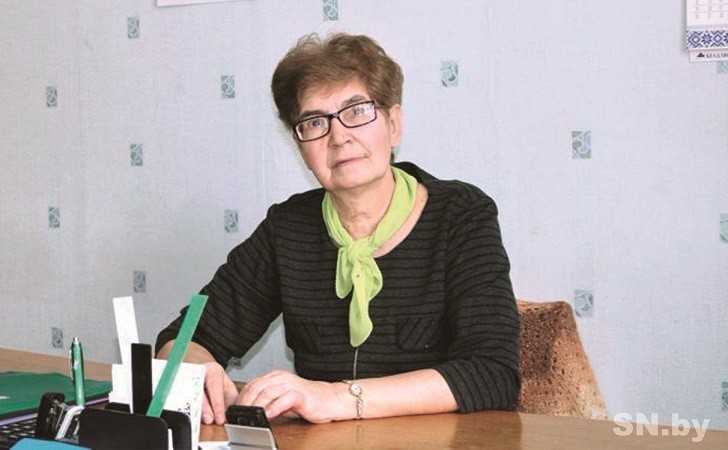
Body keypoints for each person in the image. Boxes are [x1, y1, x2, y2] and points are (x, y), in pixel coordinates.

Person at [156, 32, 520, 425]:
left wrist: (336, 397)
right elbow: (182, 338)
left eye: (357, 111)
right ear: (301, 146)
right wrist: (195, 368)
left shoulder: (461, 215)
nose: (339, 137)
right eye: (315, 122)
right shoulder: (288, 228)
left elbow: (493, 373)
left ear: (394, 124)